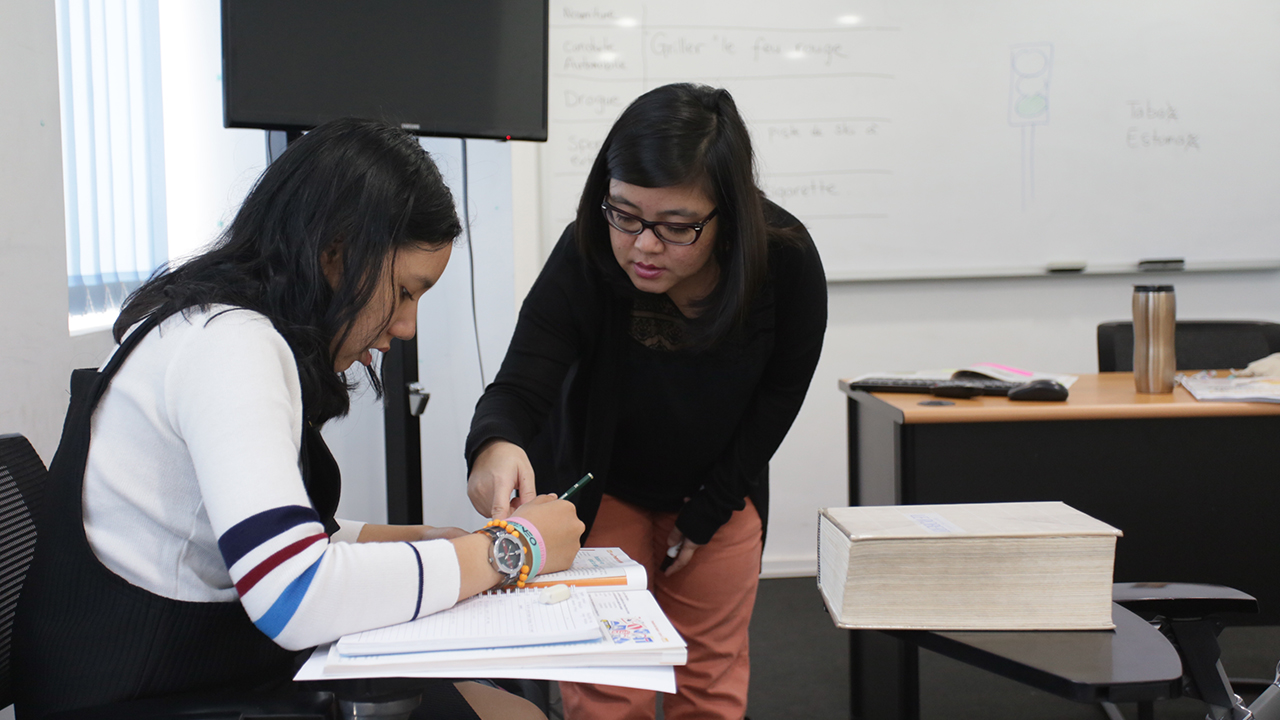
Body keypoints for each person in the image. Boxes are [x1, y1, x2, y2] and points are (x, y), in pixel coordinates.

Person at [14, 118, 583, 719]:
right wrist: (513, 548)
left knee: (495, 706)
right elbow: (293, 592)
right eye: (406, 291)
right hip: (146, 697)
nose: (408, 326)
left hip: (181, 673)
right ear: (333, 253)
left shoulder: (212, 328)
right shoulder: (226, 345)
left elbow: (273, 542)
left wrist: (431, 541)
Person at [465, 84, 828, 720]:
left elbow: (780, 394)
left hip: (721, 483)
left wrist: (712, 508)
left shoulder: (785, 263)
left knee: (709, 675)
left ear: (729, 213)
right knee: (608, 683)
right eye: (625, 213)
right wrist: (495, 446)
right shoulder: (586, 253)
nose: (643, 245)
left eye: (677, 226)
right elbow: (522, 382)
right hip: (602, 489)